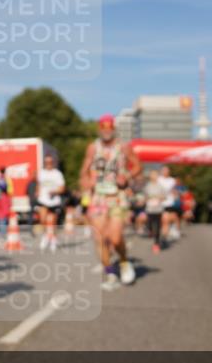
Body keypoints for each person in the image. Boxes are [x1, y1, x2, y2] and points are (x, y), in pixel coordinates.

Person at [80, 114, 142, 290]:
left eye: (109, 128)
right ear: (99, 130)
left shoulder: (123, 147)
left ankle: (123, 261)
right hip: (98, 198)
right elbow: (83, 171)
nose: (106, 131)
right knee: (100, 239)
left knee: (114, 238)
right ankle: (110, 273)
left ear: (113, 129)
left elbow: (138, 166)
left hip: (117, 197)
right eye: (103, 128)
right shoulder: (92, 148)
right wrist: (86, 182)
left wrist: (128, 176)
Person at [36, 154, 65, 252]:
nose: (48, 164)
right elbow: (39, 184)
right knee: (43, 220)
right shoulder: (41, 173)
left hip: (54, 201)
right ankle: (46, 235)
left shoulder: (57, 174)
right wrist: (37, 192)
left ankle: (53, 239)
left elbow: (62, 189)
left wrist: (54, 192)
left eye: (50, 162)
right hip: (43, 200)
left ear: (53, 163)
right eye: (46, 162)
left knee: (53, 222)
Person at [143, 169, 167, 253]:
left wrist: (159, 198)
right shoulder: (147, 186)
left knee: (157, 226)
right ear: (150, 176)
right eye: (153, 175)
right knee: (149, 225)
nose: (154, 176)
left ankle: (156, 244)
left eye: (156, 175)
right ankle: (150, 231)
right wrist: (147, 199)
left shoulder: (160, 186)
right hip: (149, 209)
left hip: (158, 209)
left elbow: (165, 197)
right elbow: (144, 196)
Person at [158, 166, 179, 242]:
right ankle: (166, 232)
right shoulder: (158, 179)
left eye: (167, 170)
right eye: (163, 170)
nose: (165, 172)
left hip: (169, 203)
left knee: (166, 220)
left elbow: (174, 190)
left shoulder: (172, 180)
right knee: (163, 220)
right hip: (159, 203)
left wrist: (176, 195)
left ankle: (164, 236)